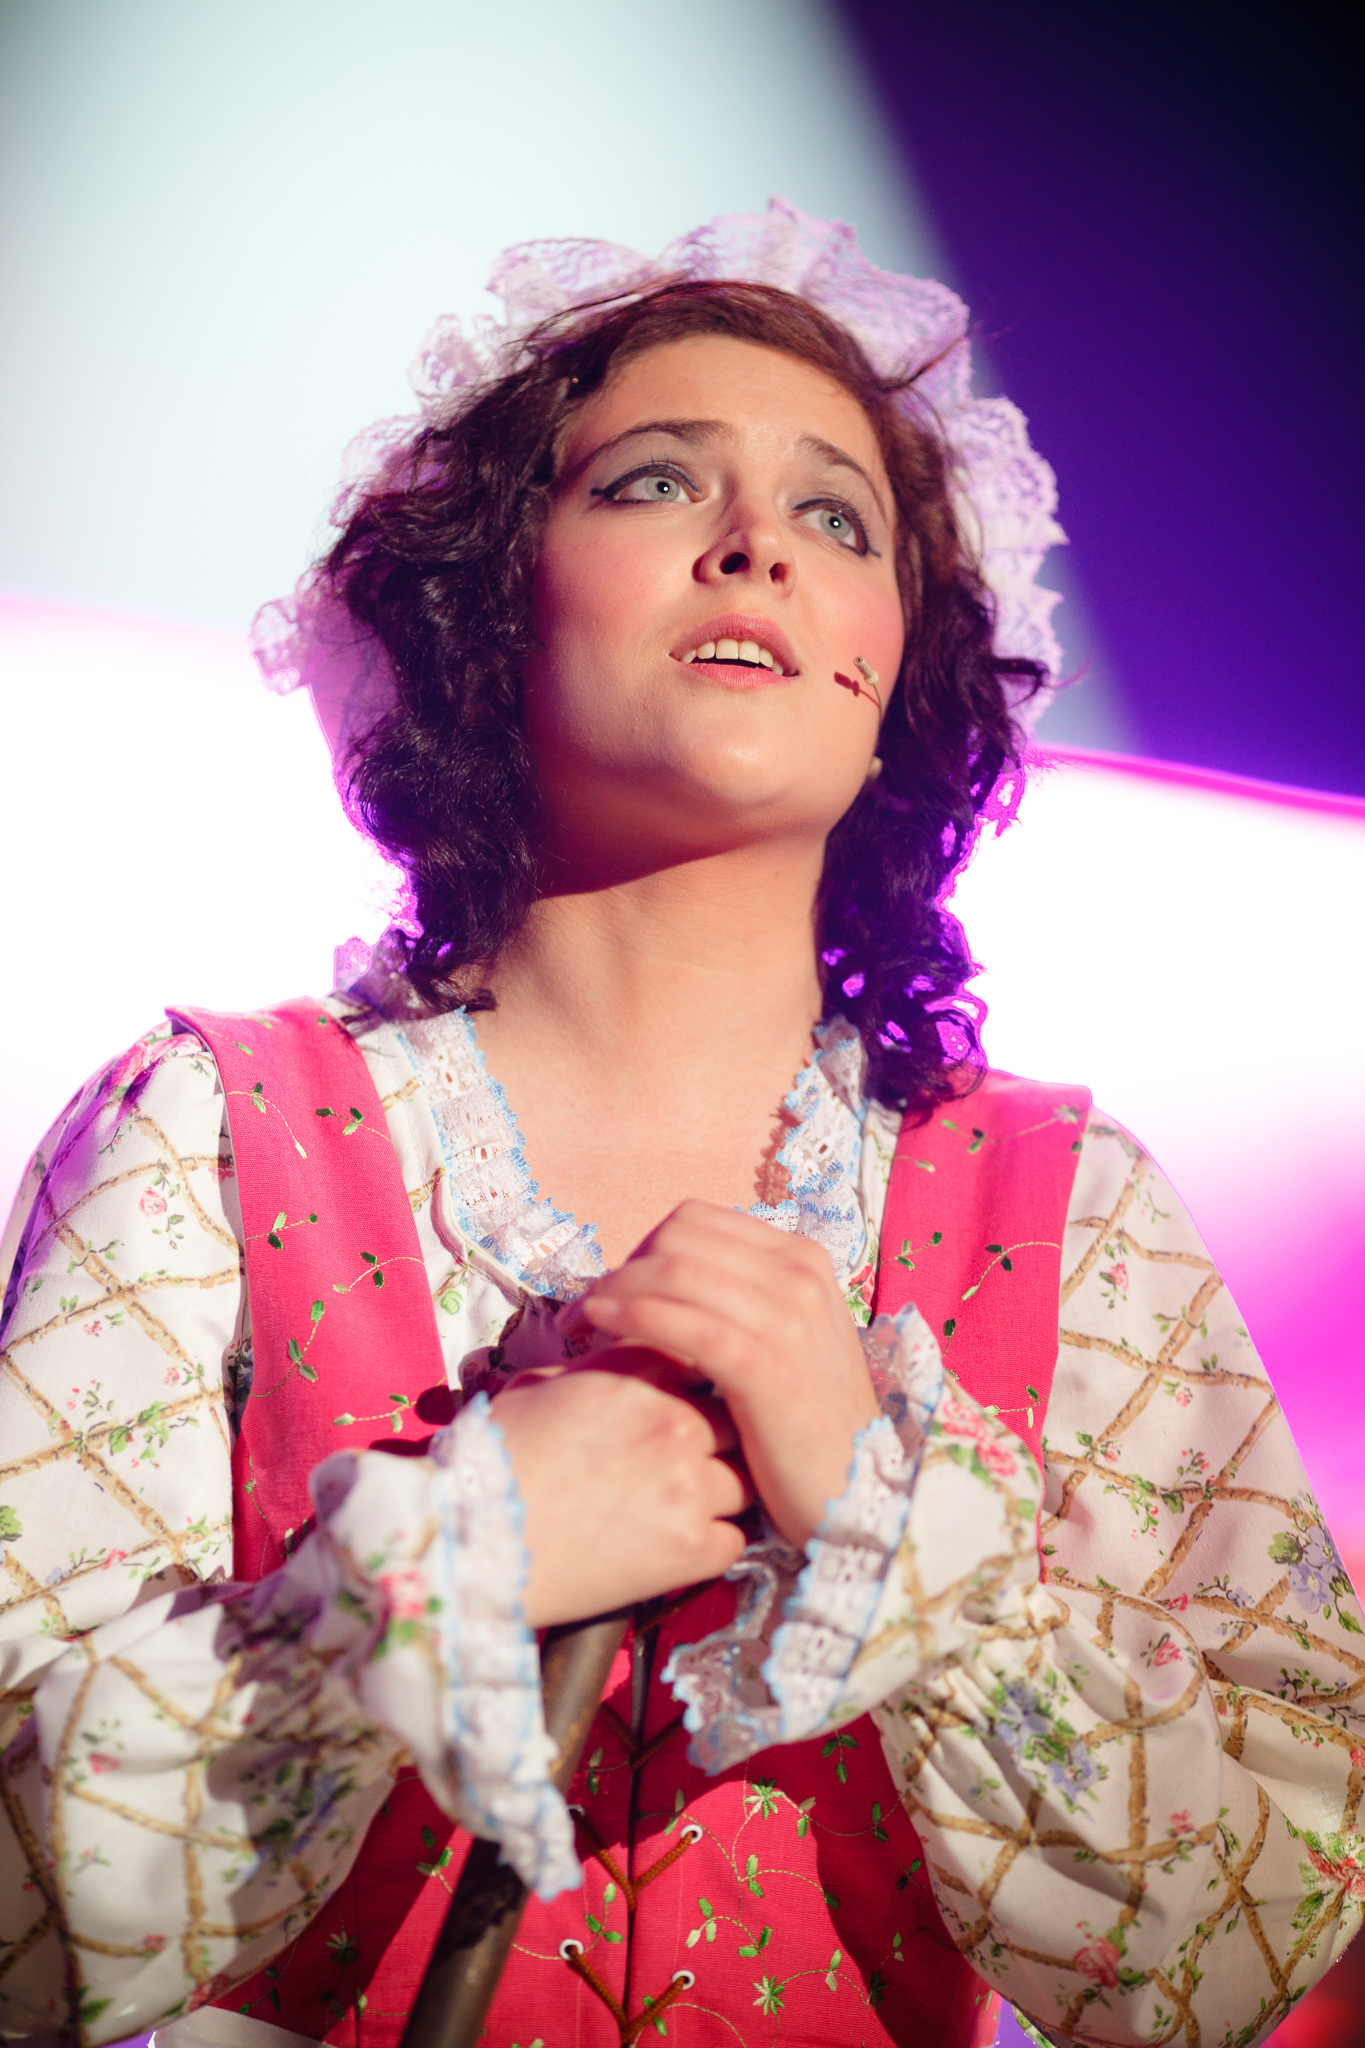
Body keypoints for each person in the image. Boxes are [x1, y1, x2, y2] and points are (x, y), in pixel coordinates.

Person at [1, 202, 1361, 2048]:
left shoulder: (1076, 1213)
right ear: (489, 604)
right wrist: (423, 1578)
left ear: (895, 676)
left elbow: (1257, 1946)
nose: (756, 547)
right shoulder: (214, 1134)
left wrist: (880, 1513)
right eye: (653, 482)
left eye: (837, 518)